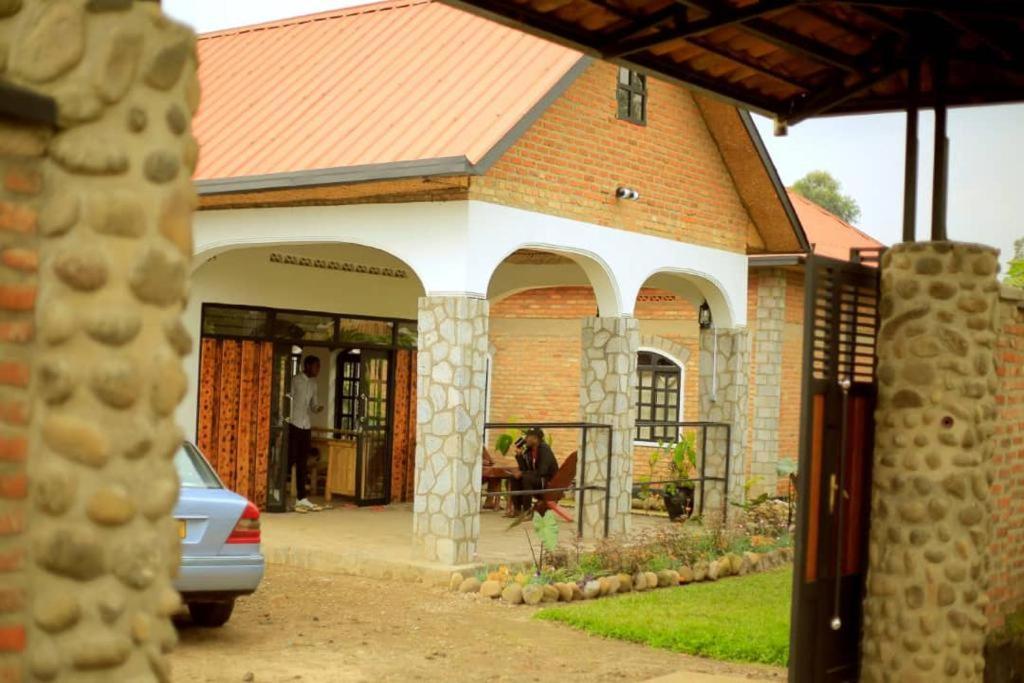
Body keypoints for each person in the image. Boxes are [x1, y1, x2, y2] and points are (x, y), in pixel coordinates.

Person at [287, 355, 324, 512]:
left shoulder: (314, 384)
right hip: (293, 424)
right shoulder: (295, 380)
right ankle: (279, 495)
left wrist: (317, 408)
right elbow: (287, 399)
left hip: (305, 426)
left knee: (303, 463)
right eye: (316, 366)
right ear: (307, 366)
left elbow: (313, 404)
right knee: (289, 460)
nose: (318, 370)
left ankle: (301, 499)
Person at [506, 428, 558, 518]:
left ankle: (527, 511)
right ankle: (517, 509)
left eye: (528, 437)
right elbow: (524, 469)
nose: (525, 439)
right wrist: (519, 456)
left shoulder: (544, 449)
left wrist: (522, 474)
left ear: (535, 439)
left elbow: (543, 471)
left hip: (547, 482)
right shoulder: (529, 450)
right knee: (514, 478)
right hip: (536, 479)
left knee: (526, 478)